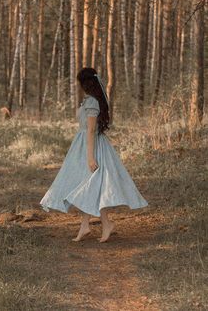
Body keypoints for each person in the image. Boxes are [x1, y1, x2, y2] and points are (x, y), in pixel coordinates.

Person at [40, 67, 148, 243]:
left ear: (85, 84)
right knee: (87, 185)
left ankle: (104, 224)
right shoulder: (92, 101)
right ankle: (87, 226)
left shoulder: (91, 102)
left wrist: (90, 157)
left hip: (91, 147)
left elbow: (91, 130)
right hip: (85, 145)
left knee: (91, 185)